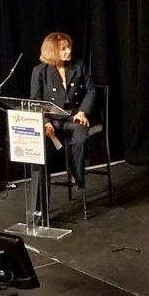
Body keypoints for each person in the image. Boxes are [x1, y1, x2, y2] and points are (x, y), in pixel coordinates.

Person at [30, 32, 95, 210]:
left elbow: (90, 91)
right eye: (63, 49)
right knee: (40, 152)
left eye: (69, 47)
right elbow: (35, 101)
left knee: (81, 138)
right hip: (52, 122)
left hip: (73, 118)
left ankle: (77, 176)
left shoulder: (78, 66)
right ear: (52, 52)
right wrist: (45, 122)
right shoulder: (40, 71)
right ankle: (39, 209)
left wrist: (82, 111)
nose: (68, 51)